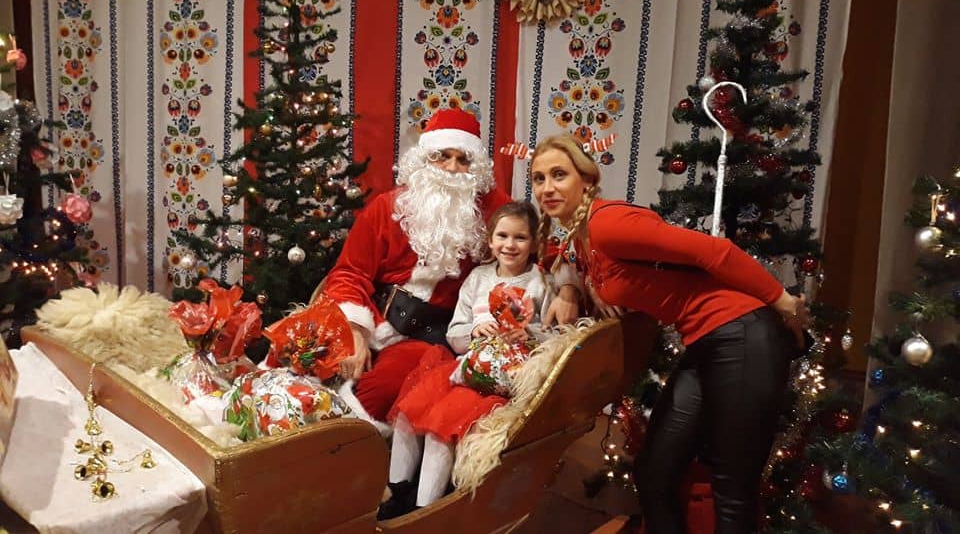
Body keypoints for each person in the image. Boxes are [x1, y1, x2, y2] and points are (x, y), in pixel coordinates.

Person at [528, 133, 809, 534]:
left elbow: (713, 251)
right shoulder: (583, 238)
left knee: (733, 489)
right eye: (538, 179)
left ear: (586, 179)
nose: (547, 188)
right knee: (654, 471)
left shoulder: (607, 224)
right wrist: (576, 289)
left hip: (741, 331)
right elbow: (580, 271)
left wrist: (784, 302)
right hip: (704, 343)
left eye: (559, 174)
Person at [321, 109, 577, 434]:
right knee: (304, 359)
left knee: (375, 393)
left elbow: (545, 248)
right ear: (424, 159)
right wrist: (355, 332)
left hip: (429, 335)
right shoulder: (386, 207)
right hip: (373, 317)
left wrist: (569, 288)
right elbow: (349, 273)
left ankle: (348, 449)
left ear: (476, 167)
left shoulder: (491, 207)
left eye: (463, 159)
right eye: (442, 156)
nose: (453, 168)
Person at [378, 201, 553, 519]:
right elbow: (454, 335)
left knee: (441, 425)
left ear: (534, 243)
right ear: (491, 240)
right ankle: (397, 490)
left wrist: (529, 335)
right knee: (409, 412)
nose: (510, 245)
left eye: (520, 238)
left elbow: (555, 339)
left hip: (502, 379)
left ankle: (425, 509)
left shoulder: (540, 283)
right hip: (466, 367)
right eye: (502, 236)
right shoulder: (478, 278)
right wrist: (474, 330)